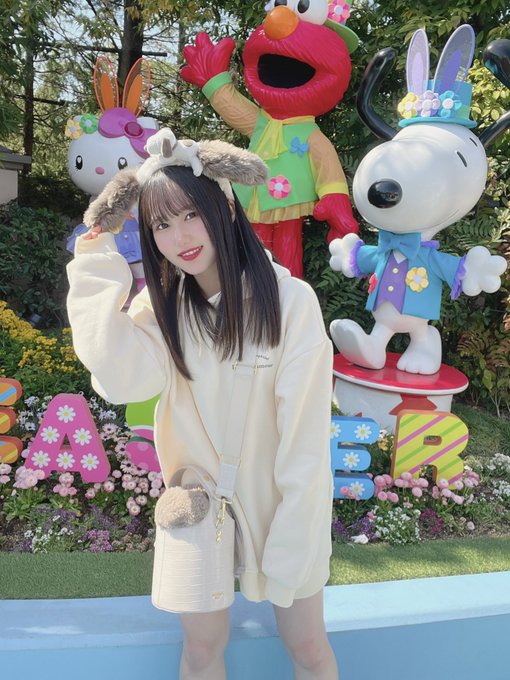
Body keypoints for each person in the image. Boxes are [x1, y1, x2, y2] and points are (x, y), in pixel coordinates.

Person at [66, 128, 337, 680]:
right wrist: (94, 256)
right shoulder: (162, 307)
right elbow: (119, 377)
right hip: (198, 505)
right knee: (200, 651)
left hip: (279, 502)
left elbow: (305, 438)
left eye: (191, 214)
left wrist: (294, 534)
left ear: (225, 209)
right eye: (161, 225)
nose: (180, 236)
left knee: (308, 648)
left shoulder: (290, 301)